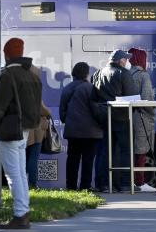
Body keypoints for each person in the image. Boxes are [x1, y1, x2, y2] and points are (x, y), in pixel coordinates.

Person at [0, 38, 42, 229]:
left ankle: (20, 214)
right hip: (26, 129)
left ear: (6, 54)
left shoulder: (8, 75)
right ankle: (24, 211)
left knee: (13, 174)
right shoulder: (32, 74)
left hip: (9, 129)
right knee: (20, 172)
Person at [92, 49, 139, 192]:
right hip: (122, 117)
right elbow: (133, 97)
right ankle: (125, 183)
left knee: (104, 151)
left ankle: (103, 184)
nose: (127, 62)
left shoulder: (98, 73)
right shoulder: (123, 73)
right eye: (126, 59)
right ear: (121, 61)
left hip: (103, 117)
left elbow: (93, 97)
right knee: (125, 151)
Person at [60, 62, 102, 191]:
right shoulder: (90, 88)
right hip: (91, 132)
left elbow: (62, 114)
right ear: (86, 74)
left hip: (73, 131)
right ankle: (85, 186)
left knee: (72, 158)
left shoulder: (67, 88)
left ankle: (71, 185)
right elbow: (96, 110)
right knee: (88, 160)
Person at [128, 48, 156, 192]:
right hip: (141, 117)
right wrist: (153, 112)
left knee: (130, 150)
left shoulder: (127, 74)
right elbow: (147, 98)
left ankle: (130, 181)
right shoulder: (143, 75)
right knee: (141, 151)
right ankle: (139, 182)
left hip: (128, 117)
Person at [25, 93, 51, 189]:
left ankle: (22, 183)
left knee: (23, 158)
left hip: (23, 129)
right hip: (36, 130)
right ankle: (32, 184)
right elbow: (44, 110)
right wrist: (49, 112)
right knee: (33, 158)